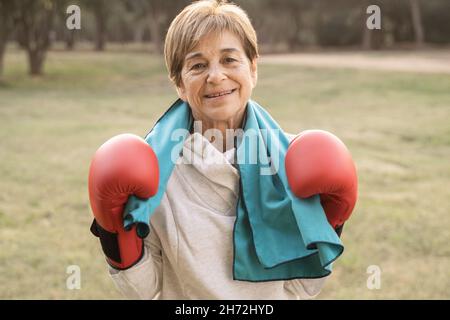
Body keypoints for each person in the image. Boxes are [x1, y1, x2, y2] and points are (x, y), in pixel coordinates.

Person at [88, 0, 357, 300]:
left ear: (253, 69)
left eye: (229, 60)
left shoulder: (293, 161)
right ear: (179, 83)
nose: (215, 76)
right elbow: (146, 289)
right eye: (198, 65)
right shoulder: (154, 170)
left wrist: (332, 220)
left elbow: (301, 288)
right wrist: (114, 232)